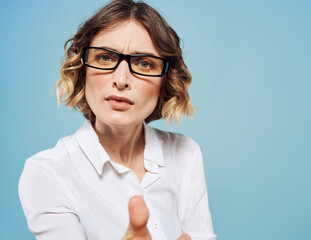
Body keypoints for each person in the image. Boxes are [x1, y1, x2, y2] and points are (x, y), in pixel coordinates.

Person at [18, 0, 216, 239]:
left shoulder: (185, 153)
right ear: (82, 68)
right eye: (105, 58)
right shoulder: (47, 172)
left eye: (144, 63)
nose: (121, 80)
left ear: (166, 80)